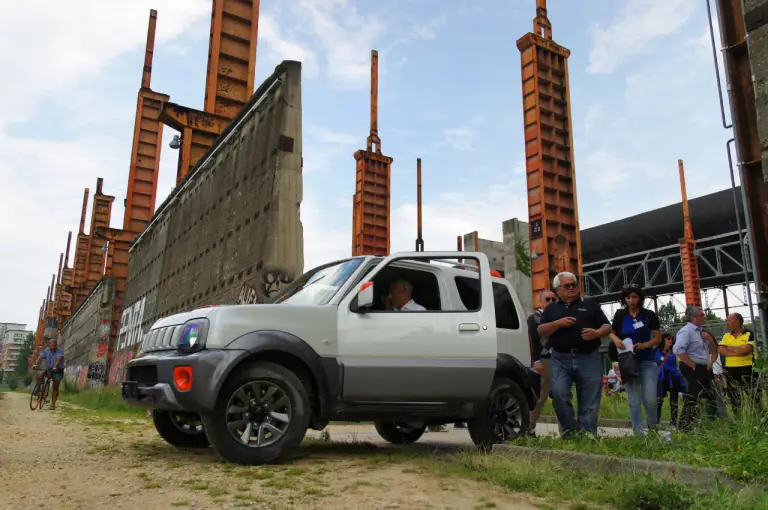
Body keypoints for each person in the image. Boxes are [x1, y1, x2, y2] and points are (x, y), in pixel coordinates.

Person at [538, 272, 612, 438]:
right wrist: (558, 323)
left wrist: (597, 333)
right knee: (558, 394)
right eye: (567, 286)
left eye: (574, 285)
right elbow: (541, 331)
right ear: (558, 290)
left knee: (590, 400)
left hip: (589, 358)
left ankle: (587, 437)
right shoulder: (551, 309)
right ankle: (572, 431)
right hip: (560, 358)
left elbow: (607, 326)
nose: (572, 288)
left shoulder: (590, 304)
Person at [610, 285, 661, 436]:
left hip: (647, 361)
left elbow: (658, 338)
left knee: (650, 399)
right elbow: (610, 333)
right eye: (628, 298)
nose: (631, 300)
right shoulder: (620, 315)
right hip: (627, 362)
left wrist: (645, 345)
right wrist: (616, 340)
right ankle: (638, 433)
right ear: (624, 299)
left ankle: (653, 428)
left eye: (634, 297)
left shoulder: (648, 315)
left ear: (640, 298)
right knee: (634, 400)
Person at [673, 306, 717, 431]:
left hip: (704, 367)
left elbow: (714, 350)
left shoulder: (702, 331)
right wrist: (691, 364)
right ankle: (684, 428)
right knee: (693, 397)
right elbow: (677, 350)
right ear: (693, 318)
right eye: (702, 315)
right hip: (693, 367)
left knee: (711, 396)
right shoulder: (686, 331)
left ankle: (707, 424)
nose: (705, 317)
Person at [526, 289, 557, 436]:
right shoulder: (534, 318)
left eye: (553, 299)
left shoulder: (557, 318)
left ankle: (567, 428)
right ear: (541, 301)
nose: (551, 302)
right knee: (541, 395)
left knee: (560, 394)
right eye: (548, 300)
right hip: (544, 360)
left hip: (558, 359)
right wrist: (536, 360)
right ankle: (529, 427)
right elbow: (532, 341)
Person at [718, 313, 763, 416]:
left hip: (747, 367)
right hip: (731, 369)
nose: (727, 323)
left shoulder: (749, 334)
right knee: (734, 395)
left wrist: (729, 348)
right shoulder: (727, 336)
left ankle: (758, 415)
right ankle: (739, 417)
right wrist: (738, 350)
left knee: (753, 394)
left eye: (729, 321)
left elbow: (746, 350)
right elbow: (721, 350)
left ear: (738, 322)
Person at [655, 332, 685, 429]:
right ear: (663, 340)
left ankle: (674, 423)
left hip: (673, 378)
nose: (670, 341)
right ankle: (655, 422)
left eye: (672, 339)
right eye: (668, 339)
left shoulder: (674, 352)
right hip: (660, 378)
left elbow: (678, 364)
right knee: (658, 400)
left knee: (674, 401)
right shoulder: (655, 351)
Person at [33, 337, 65, 410]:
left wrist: (55, 367)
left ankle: (53, 405)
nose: (53, 347)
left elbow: (59, 359)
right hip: (49, 369)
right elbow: (40, 357)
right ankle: (38, 390)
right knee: (39, 375)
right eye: (51, 346)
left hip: (58, 371)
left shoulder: (60, 351)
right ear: (49, 345)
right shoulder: (46, 351)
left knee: (55, 386)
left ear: (56, 345)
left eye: (54, 346)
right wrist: (35, 364)